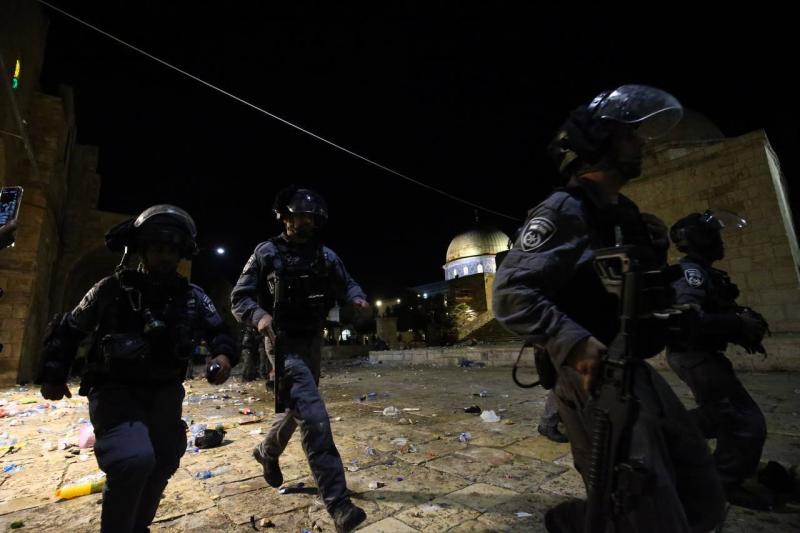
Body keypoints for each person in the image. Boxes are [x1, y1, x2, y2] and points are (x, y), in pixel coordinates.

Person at [493, 85, 725, 532]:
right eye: (628, 135)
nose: (641, 144)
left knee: (701, 494)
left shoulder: (623, 213)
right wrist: (575, 344)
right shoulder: (565, 208)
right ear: (598, 143)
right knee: (643, 505)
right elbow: (510, 294)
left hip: (632, 365)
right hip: (595, 375)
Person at [36, 205, 237, 533]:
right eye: (157, 248)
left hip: (165, 392)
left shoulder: (192, 297)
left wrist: (223, 358)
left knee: (165, 458)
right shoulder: (111, 289)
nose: (164, 257)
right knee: (132, 459)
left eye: (171, 250)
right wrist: (53, 375)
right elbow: (70, 329)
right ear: (142, 250)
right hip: (114, 391)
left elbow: (220, 332)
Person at [231, 186, 370, 532]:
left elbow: (348, 284)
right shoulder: (266, 253)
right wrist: (259, 317)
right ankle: (338, 504)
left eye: (310, 217)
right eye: (299, 216)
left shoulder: (325, 256)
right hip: (281, 344)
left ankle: (267, 451)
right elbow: (240, 297)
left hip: (312, 343)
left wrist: (357, 300)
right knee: (315, 417)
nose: (305, 222)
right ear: (284, 217)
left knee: (298, 409)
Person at [667, 210, 771, 509]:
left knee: (719, 415)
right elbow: (688, 319)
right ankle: (725, 480)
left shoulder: (704, 272)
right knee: (745, 420)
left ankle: (666, 435)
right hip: (693, 355)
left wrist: (737, 325)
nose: (720, 242)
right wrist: (736, 324)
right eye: (714, 236)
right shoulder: (692, 273)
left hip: (699, 354)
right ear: (700, 240)